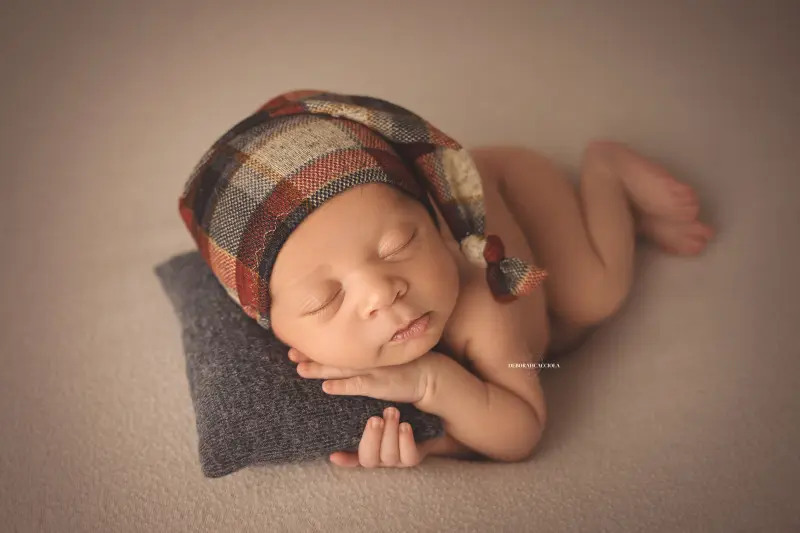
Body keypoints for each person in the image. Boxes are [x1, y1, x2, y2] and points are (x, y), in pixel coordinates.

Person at [179, 91, 715, 469]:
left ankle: (607, 174)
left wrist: (430, 384)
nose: (382, 290)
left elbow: (521, 429)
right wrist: (436, 446)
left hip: (513, 190)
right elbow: (468, 428)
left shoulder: (479, 309)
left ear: (437, 225)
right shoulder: (310, 342)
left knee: (593, 297)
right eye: (325, 299)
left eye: (398, 246)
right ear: (272, 328)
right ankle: (629, 223)